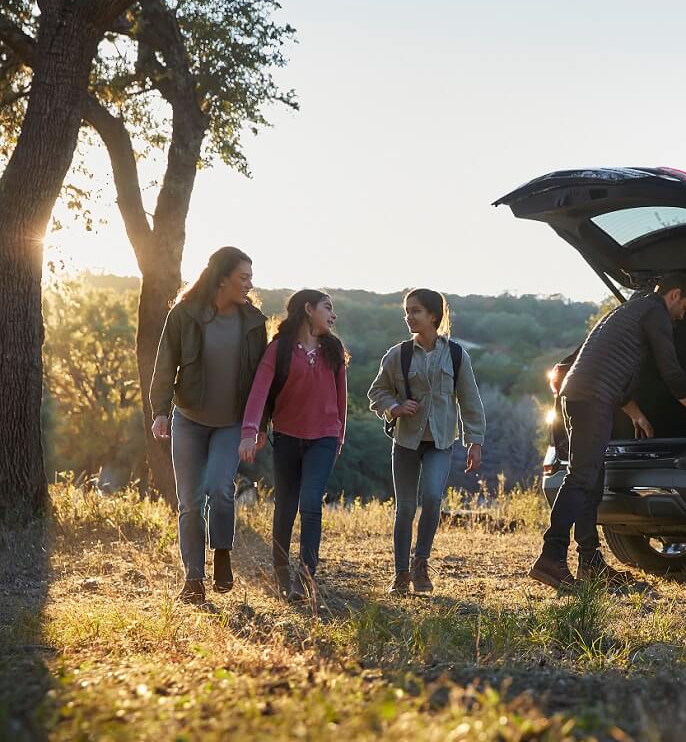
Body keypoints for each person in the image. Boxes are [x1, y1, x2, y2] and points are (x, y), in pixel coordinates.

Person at [529, 272, 686, 589]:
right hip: (592, 399)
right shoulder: (655, 312)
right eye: (685, 308)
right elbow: (671, 370)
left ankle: (590, 561)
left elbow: (610, 367)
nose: (682, 316)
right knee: (581, 478)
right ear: (675, 295)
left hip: (580, 395)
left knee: (592, 480)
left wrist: (635, 414)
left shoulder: (629, 310)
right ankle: (551, 557)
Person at [150, 246, 268, 604]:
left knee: (220, 489)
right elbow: (165, 364)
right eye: (243, 277)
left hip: (231, 423)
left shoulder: (253, 321)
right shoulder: (185, 314)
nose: (250, 283)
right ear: (222, 279)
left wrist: (259, 425)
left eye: (250, 277)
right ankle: (193, 579)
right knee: (190, 501)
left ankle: (222, 553)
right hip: (189, 419)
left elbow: (263, 379)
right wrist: (160, 411)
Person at [368, 289, 486, 595]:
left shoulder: (457, 355)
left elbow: (470, 400)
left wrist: (475, 441)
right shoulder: (398, 355)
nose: (409, 316)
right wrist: (394, 407)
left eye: (416, 311)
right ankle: (400, 575)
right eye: (407, 311)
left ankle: (421, 565)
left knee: (433, 498)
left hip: (441, 442)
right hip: (406, 440)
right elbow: (377, 392)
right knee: (405, 508)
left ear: (434, 315)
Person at [239, 290, 348, 602]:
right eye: (328, 308)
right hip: (287, 436)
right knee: (285, 506)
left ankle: (305, 576)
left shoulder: (334, 349)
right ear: (308, 309)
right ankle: (281, 572)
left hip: (324, 438)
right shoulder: (280, 349)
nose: (333, 315)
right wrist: (250, 431)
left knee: (311, 502)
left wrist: (338, 437)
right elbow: (259, 391)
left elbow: (341, 398)